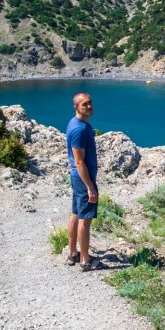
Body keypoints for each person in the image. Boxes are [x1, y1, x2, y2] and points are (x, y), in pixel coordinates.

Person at [66, 91, 99, 271]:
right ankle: (85, 260)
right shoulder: (79, 129)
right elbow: (79, 162)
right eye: (84, 104)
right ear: (76, 107)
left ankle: (73, 253)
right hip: (82, 178)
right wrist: (90, 187)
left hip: (78, 178)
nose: (88, 106)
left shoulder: (77, 124)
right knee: (85, 220)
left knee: (76, 214)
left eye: (89, 102)